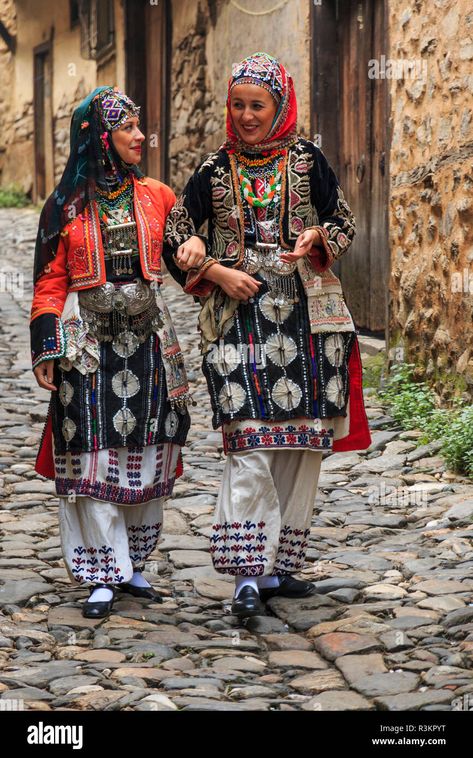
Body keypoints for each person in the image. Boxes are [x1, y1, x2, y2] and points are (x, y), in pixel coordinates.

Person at [163, 52, 371, 619]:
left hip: (308, 322)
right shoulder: (211, 169)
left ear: (279, 107)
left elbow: (345, 223)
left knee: (300, 447)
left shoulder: (308, 160)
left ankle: (279, 567)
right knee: (247, 441)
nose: (247, 116)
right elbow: (175, 234)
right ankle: (247, 575)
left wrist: (316, 238)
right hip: (238, 322)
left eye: (258, 105)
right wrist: (210, 267)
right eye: (238, 105)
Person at [30, 86, 199, 618]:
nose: (139, 136)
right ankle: (103, 570)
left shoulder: (158, 195)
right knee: (92, 450)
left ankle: (133, 562)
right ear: (100, 138)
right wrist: (47, 347)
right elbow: (49, 281)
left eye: (138, 125)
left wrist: (198, 252)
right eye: (126, 127)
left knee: (148, 447)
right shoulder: (64, 207)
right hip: (86, 345)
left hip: (148, 339)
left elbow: (185, 259)